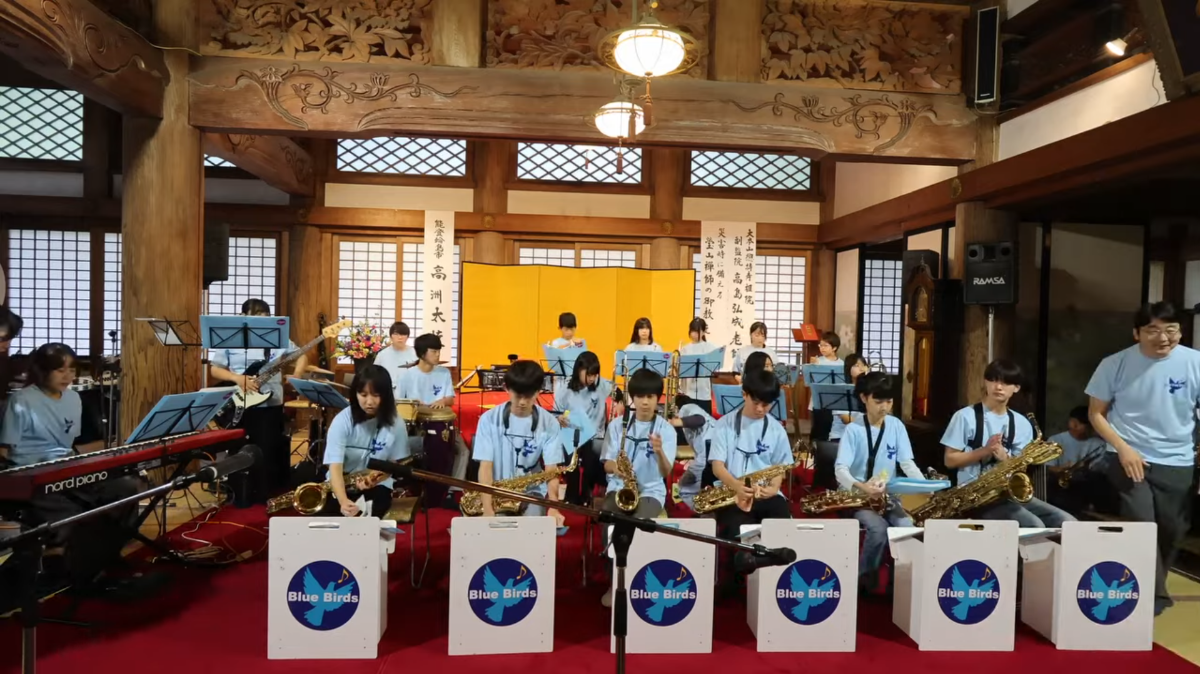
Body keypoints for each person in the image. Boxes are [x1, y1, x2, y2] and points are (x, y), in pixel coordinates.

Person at [1086, 301, 1200, 616]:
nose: (1163, 337)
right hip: (1127, 457)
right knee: (1142, 525)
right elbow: (1096, 414)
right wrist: (1123, 448)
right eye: (1153, 330)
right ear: (1137, 333)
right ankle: (1150, 597)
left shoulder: (1195, 362)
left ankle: (1151, 588)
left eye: (1171, 329)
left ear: (1180, 331)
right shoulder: (1115, 364)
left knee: (1172, 529)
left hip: (1177, 459)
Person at [0, 343, 135, 587]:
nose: (68, 376)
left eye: (72, 370)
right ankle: (74, 571)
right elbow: (5, 451)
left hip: (67, 465)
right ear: (42, 371)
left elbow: (70, 444)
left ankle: (106, 556)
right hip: (31, 472)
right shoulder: (21, 400)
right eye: (60, 370)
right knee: (72, 514)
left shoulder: (74, 398)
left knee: (125, 489)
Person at [941, 359, 1074, 528]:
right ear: (985, 382)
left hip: (1007, 494)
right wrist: (985, 451)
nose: (998, 387)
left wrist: (1006, 458)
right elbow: (950, 460)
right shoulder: (965, 416)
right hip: (973, 498)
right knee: (1034, 525)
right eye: (993, 380)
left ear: (1016, 388)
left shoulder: (1022, 423)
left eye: (1005, 382)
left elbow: (1021, 470)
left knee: (1067, 522)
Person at [209, 298, 307, 502]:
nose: (261, 320)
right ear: (244, 316)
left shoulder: (277, 336)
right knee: (238, 448)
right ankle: (238, 491)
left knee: (268, 449)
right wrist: (237, 378)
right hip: (240, 403)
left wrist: (297, 373)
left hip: (271, 403)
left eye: (265, 316)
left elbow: (301, 355)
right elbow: (215, 369)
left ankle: (266, 494)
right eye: (256, 315)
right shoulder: (230, 337)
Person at [834, 372, 923, 593]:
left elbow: (907, 463)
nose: (884, 407)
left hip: (886, 495)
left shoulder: (896, 426)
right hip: (856, 497)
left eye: (889, 401)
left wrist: (925, 487)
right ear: (864, 398)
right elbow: (840, 470)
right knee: (878, 528)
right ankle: (866, 580)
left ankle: (899, 584)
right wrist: (861, 487)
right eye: (878, 401)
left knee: (907, 528)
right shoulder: (853, 430)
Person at [599, 368, 676, 606]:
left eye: (650, 397)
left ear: (657, 399)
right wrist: (617, 469)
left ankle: (640, 584)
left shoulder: (666, 430)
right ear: (633, 397)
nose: (645, 402)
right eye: (640, 396)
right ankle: (615, 583)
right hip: (620, 487)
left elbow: (666, 472)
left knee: (639, 526)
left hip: (651, 492)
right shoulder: (617, 426)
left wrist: (660, 451)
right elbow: (607, 464)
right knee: (609, 521)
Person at [471, 360, 565, 521]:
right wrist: (488, 509)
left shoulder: (550, 423)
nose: (522, 402)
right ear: (506, 389)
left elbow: (551, 471)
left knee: (534, 527)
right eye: (518, 396)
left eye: (528, 396)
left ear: (538, 392)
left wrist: (554, 508)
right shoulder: (488, 420)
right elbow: (485, 467)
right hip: (497, 492)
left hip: (532, 493)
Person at [708, 369, 793, 541]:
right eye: (756, 403)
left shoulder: (777, 429)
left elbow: (780, 468)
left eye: (767, 404)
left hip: (764, 493)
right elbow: (717, 467)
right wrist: (737, 486)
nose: (761, 409)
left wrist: (774, 488)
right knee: (735, 530)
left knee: (782, 525)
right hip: (731, 492)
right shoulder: (724, 424)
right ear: (744, 394)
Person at [321, 365, 409, 518]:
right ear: (355, 394)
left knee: (375, 513)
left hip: (377, 484)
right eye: (363, 394)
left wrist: (377, 478)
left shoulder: (396, 422)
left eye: (376, 395)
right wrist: (343, 501)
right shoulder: (342, 421)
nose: (369, 402)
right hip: (341, 481)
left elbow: (397, 464)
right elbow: (334, 467)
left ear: (386, 395)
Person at [397, 333, 470, 494]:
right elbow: (399, 404)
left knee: (463, 450)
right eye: (434, 351)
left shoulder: (443, 373)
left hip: (443, 425)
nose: (438, 355)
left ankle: (454, 489)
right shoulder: (407, 376)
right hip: (418, 425)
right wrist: (414, 404)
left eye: (438, 351)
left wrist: (442, 401)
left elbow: (451, 398)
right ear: (422, 353)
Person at [554, 350, 617, 506]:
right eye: (588, 374)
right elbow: (555, 413)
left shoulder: (600, 384)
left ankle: (587, 492)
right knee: (571, 456)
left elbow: (618, 391)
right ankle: (572, 493)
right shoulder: (565, 389)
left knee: (591, 453)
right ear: (578, 371)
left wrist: (620, 400)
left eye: (594, 375)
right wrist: (559, 418)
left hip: (595, 435)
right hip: (572, 433)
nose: (591, 378)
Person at [1045, 405, 1113, 519]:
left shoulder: (1099, 444)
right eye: (1085, 425)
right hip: (1060, 486)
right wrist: (1062, 469)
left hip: (1086, 486)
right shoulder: (1055, 440)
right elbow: (1047, 468)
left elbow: (1102, 471)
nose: (1089, 428)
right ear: (1073, 423)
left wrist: (1086, 468)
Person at [670, 402, 716, 512]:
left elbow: (700, 419)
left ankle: (702, 512)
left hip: (708, 456)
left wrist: (673, 422)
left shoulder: (686, 407)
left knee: (684, 489)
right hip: (708, 457)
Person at [677, 318, 717, 415]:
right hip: (688, 393)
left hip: (704, 393)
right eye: (692, 331)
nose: (694, 334)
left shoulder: (711, 348)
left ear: (703, 332)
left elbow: (714, 368)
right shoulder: (685, 349)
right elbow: (680, 370)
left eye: (697, 331)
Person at [829, 353, 870, 442]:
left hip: (864, 435)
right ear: (848, 369)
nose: (861, 368)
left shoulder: (869, 390)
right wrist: (868, 425)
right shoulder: (841, 389)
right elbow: (846, 419)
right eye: (856, 365)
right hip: (841, 436)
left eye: (863, 365)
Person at [373, 321, 416, 396]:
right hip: (387, 392)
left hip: (410, 392)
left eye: (403, 334)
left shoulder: (415, 353)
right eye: (396, 334)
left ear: (407, 336)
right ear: (391, 336)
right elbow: (375, 376)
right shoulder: (382, 355)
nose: (400, 337)